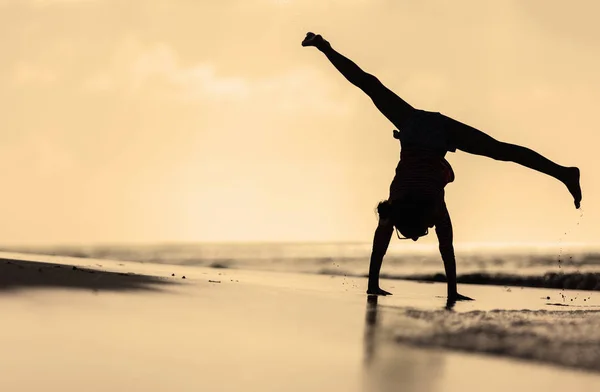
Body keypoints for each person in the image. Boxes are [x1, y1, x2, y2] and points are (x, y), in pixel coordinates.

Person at [301, 32, 582, 303]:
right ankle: (324, 46)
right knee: (369, 85)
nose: (413, 238)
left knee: (500, 151)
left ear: (420, 222)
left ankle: (565, 173)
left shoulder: (432, 206)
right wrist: (373, 285)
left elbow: (446, 247)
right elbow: (391, 244)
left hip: (436, 134)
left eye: (412, 235)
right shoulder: (396, 202)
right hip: (412, 127)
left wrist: (450, 291)